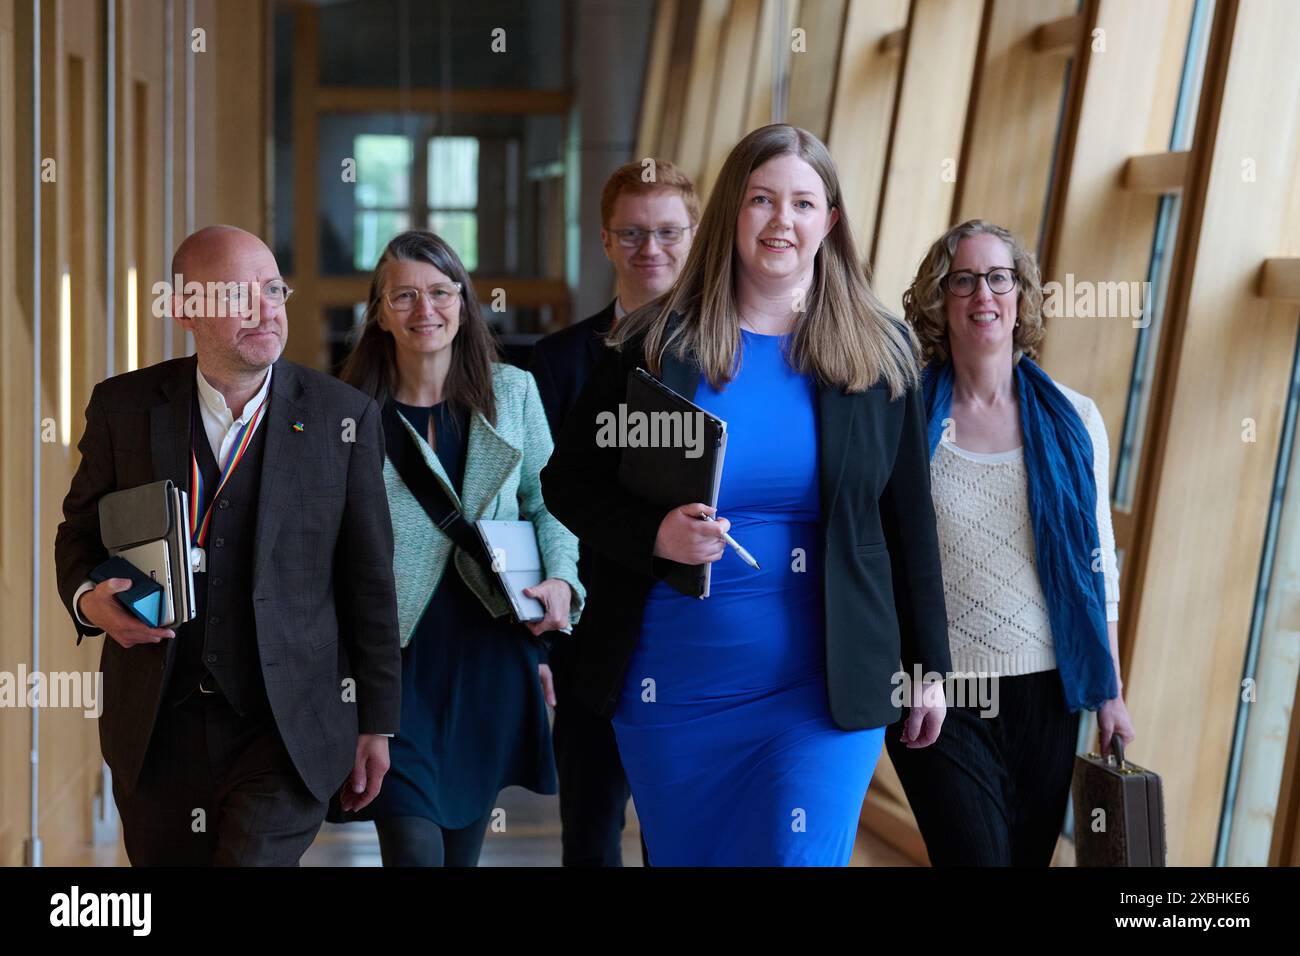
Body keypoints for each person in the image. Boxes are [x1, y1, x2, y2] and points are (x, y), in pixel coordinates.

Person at [540, 124, 950, 866]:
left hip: (824, 694)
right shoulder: (655, 345)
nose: (781, 220)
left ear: (829, 220)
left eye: (802, 202)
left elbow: (908, 525)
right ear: (731, 213)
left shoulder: (882, 355)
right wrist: (654, 533)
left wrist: (929, 665)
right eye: (761, 199)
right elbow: (568, 483)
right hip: (677, 690)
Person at [54, 225, 402, 866]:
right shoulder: (123, 407)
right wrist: (88, 601)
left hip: (285, 728)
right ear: (185, 309)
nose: (266, 311)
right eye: (237, 297)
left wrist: (376, 721)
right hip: (158, 729)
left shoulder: (343, 416)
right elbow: (78, 534)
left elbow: (369, 582)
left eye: (273, 290)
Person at [889, 218, 1137, 866]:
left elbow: (1099, 560)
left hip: (1047, 692)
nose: (983, 295)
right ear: (940, 299)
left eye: (998, 278)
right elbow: (876, 550)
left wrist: (1108, 689)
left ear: (1021, 294)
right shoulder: (904, 416)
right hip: (938, 687)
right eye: (963, 280)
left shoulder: (1076, 419)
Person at [339, 229, 584, 867]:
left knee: (459, 854)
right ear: (379, 311)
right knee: (413, 849)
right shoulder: (348, 414)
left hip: (489, 655)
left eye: (441, 292)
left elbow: (549, 502)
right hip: (396, 661)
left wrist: (561, 580)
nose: (426, 310)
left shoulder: (515, 395)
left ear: (464, 301)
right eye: (405, 296)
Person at [530, 158, 698, 866]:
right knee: (591, 835)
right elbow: (537, 498)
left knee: (680, 834)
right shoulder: (555, 363)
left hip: (696, 633)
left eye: (666, 232)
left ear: (695, 236)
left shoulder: (728, 356)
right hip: (590, 638)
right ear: (605, 241)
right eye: (631, 234)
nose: (649, 250)